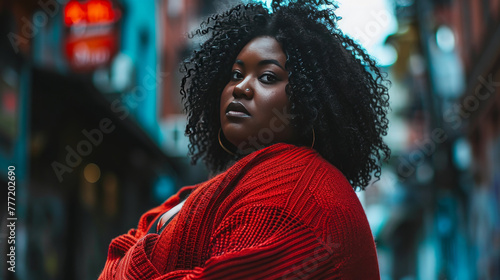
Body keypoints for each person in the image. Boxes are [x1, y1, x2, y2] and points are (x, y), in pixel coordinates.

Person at [99, 0, 390, 279]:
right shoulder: (239, 183)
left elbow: (123, 252)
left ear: (310, 98)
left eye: (267, 77)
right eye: (236, 74)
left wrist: (131, 257)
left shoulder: (293, 199)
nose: (240, 88)